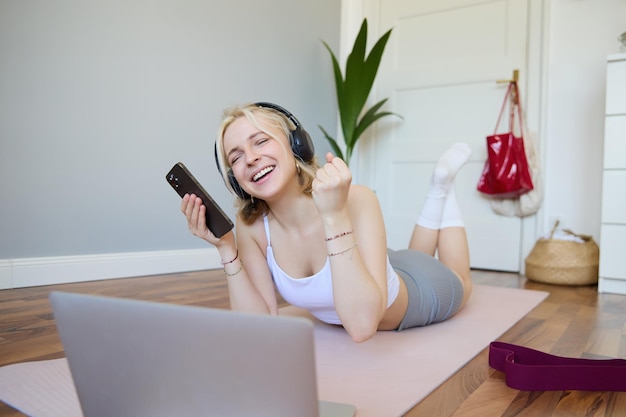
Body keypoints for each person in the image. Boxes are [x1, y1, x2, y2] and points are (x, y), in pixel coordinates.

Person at [181, 102, 473, 343]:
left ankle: (441, 189)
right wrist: (226, 250)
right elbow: (258, 328)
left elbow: (361, 327)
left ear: (296, 146)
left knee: (462, 279)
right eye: (237, 157)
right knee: (413, 256)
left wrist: (334, 216)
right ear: (235, 178)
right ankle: (439, 188)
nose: (252, 158)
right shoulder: (251, 227)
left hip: (422, 290)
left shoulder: (356, 199)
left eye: (260, 141)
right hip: (386, 267)